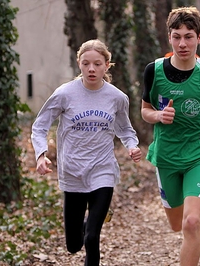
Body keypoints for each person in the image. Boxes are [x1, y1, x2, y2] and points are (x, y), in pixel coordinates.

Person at [31, 39, 142, 266]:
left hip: (103, 171)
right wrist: (41, 155)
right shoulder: (65, 94)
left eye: (97, 64)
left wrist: (132, 145)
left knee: (92, 238)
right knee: (73, 244)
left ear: (107, 65)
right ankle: (91, 220)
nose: (91, 69)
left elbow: (125, 129)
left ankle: (95, 221)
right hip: (72, 171)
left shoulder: (117, 97)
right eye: (86, 63)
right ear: (79, 64)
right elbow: (40, 126)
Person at [141, 7, 200, 266]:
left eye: (189, 36)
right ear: (169, 37)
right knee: (176, 224)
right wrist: (157, 116)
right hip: (166, 154)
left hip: (198, 152)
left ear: (199, 38)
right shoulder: (153, 70)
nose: (182, 43)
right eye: (177, 36)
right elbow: (145, 110)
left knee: (192, 223)